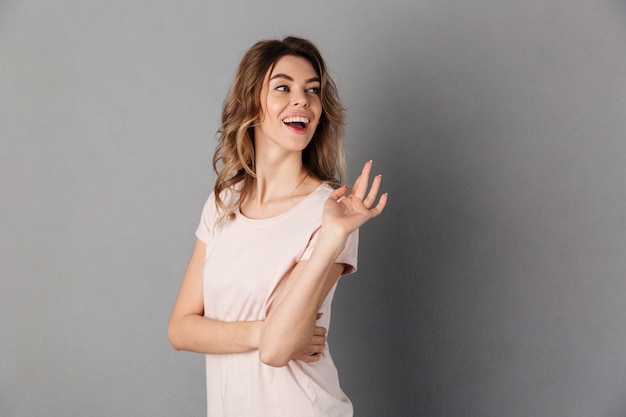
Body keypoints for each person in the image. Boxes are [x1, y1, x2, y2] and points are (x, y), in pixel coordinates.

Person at [168, 36, 387, 417]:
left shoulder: (333, 212)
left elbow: (277, 351)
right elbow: (181, 329)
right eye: (283, 87)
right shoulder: (224, 203)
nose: (302, 99)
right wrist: (261, 330)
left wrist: (333, 238)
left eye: (312, 90)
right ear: (252, 103)